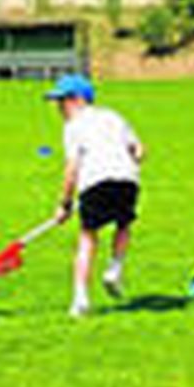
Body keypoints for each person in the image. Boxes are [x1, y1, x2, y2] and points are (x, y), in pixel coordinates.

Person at [45, 74, 144, 318]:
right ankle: (115, 268)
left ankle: (81, 298)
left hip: (95, 181)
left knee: (88, 237)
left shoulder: (73, 126)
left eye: (62, 101)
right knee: (124, 224)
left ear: (79, 100)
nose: (59, 108)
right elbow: (140, 150)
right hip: (127, 179)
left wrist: (64, 203)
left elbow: (72, 167)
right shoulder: (113, 116)